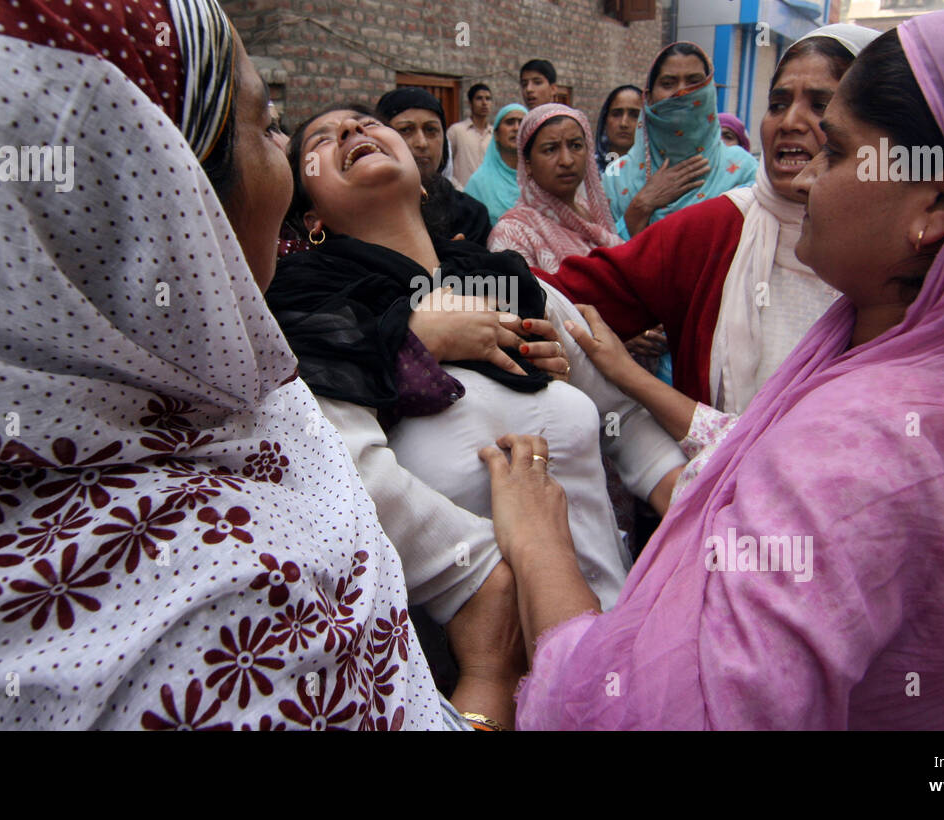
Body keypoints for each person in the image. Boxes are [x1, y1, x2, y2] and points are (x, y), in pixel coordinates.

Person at [0, 0, 519, 732]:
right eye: (265, 128)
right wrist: (493, 679)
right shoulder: (219, 638)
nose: (286, 159)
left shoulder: (214, 394)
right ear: (150, 208)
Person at [479, 3, 944, 730]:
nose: (807, 167)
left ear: (935, 205)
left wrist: (540, 551)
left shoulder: (862, 449)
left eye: (836, 148)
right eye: (780, 102)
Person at [265, 105, 688, 621]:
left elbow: (624, 417)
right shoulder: (312, 323)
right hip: (484, 655)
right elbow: (355, 486)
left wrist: (691, 511)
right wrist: (412, 345)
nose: (353, 130)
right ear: (314, 222)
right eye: (321, 142)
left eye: (366, 121)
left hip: (623, 622)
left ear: (423, 185)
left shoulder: (510, 285)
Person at [543, 25, 880, 413]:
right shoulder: (719, 227)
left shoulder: (908, 250)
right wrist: (473, 285)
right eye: (777, 103)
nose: (790, 121)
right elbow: (571, 293)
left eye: (820, 105)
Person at [605, 42, 759, 238]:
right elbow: (601, 258)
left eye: (694, 82)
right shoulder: (617, 178)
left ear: (710, 91)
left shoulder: (743, 171)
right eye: (668, 83)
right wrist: (641, 205)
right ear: (649, 98)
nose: (681, 92)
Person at [488, 104, 622, 273]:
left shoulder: (591, 212)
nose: (567, 160)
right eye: (550, 149)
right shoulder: (512, 234)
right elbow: (523, 297)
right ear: (527, 164)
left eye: (576, 146)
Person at [375, 87, 491, 245]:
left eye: (431, 130)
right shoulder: (363, 209)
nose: (421, 143)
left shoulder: (470, 215)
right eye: (406, 130)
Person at [464, 103, 526, 226]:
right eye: (510, 122)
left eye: (522, 123)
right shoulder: (479, 182)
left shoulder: (539, 179)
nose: (516, 128)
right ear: (496, 134)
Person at [447, 83, 492, 191]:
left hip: (489, 196)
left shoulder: (495, 135)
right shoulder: (456, 131)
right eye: (479, 98)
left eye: (488, 99)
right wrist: (458, 188)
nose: (484, 103)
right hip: (462, 195)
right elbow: (444, 164)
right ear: (470, 103)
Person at [595, 84, 643, 172]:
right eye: (616, 114)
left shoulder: (657, 171)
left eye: (635, 115)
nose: (623, 123)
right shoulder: (586, 171)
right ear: (605, 120)